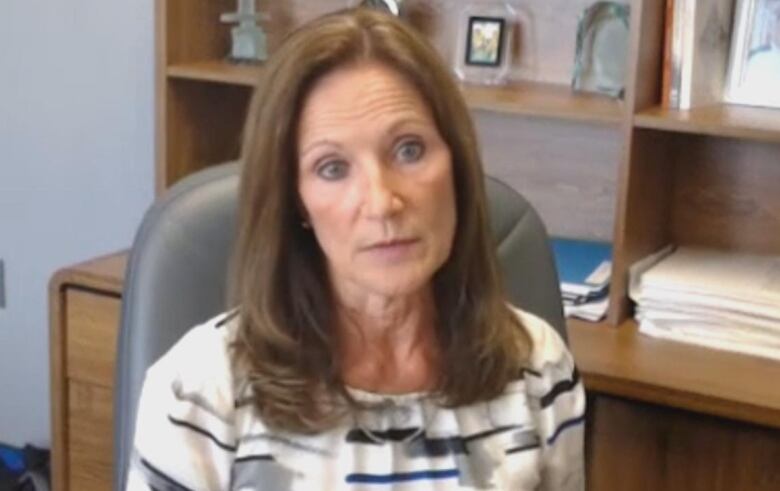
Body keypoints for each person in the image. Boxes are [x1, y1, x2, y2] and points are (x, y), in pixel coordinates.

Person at [127, 8, 585, 491]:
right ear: (295, 199)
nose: (382, 202)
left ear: (457, 165)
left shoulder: (538, 369)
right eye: (332, 168)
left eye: (409, 150)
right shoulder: (199, 392)